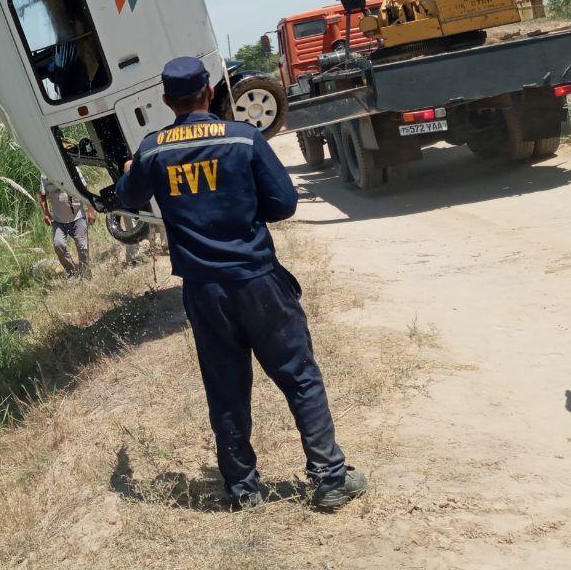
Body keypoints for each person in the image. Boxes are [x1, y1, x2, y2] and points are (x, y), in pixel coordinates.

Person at [114, 56, 366, 511]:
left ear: (167, 100)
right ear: (210, 92)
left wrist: (132, 168)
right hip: (257, 281)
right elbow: (284, 204)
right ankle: (330, 479)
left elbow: (127, 198)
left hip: (204, 291)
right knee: (299, 377)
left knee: (226, 387)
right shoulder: (244, 138)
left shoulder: (152, 150)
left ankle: (243, 489)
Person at [39, 175, 96, 277]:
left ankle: (85, 274)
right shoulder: (45, 174)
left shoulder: (70, 167)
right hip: (58, 219)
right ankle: (72, 272)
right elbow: (42, 196)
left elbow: (85, 190)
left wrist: (90, 210)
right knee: (58, 245)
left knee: (82, 246)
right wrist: (46, 213)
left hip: (77, 215)